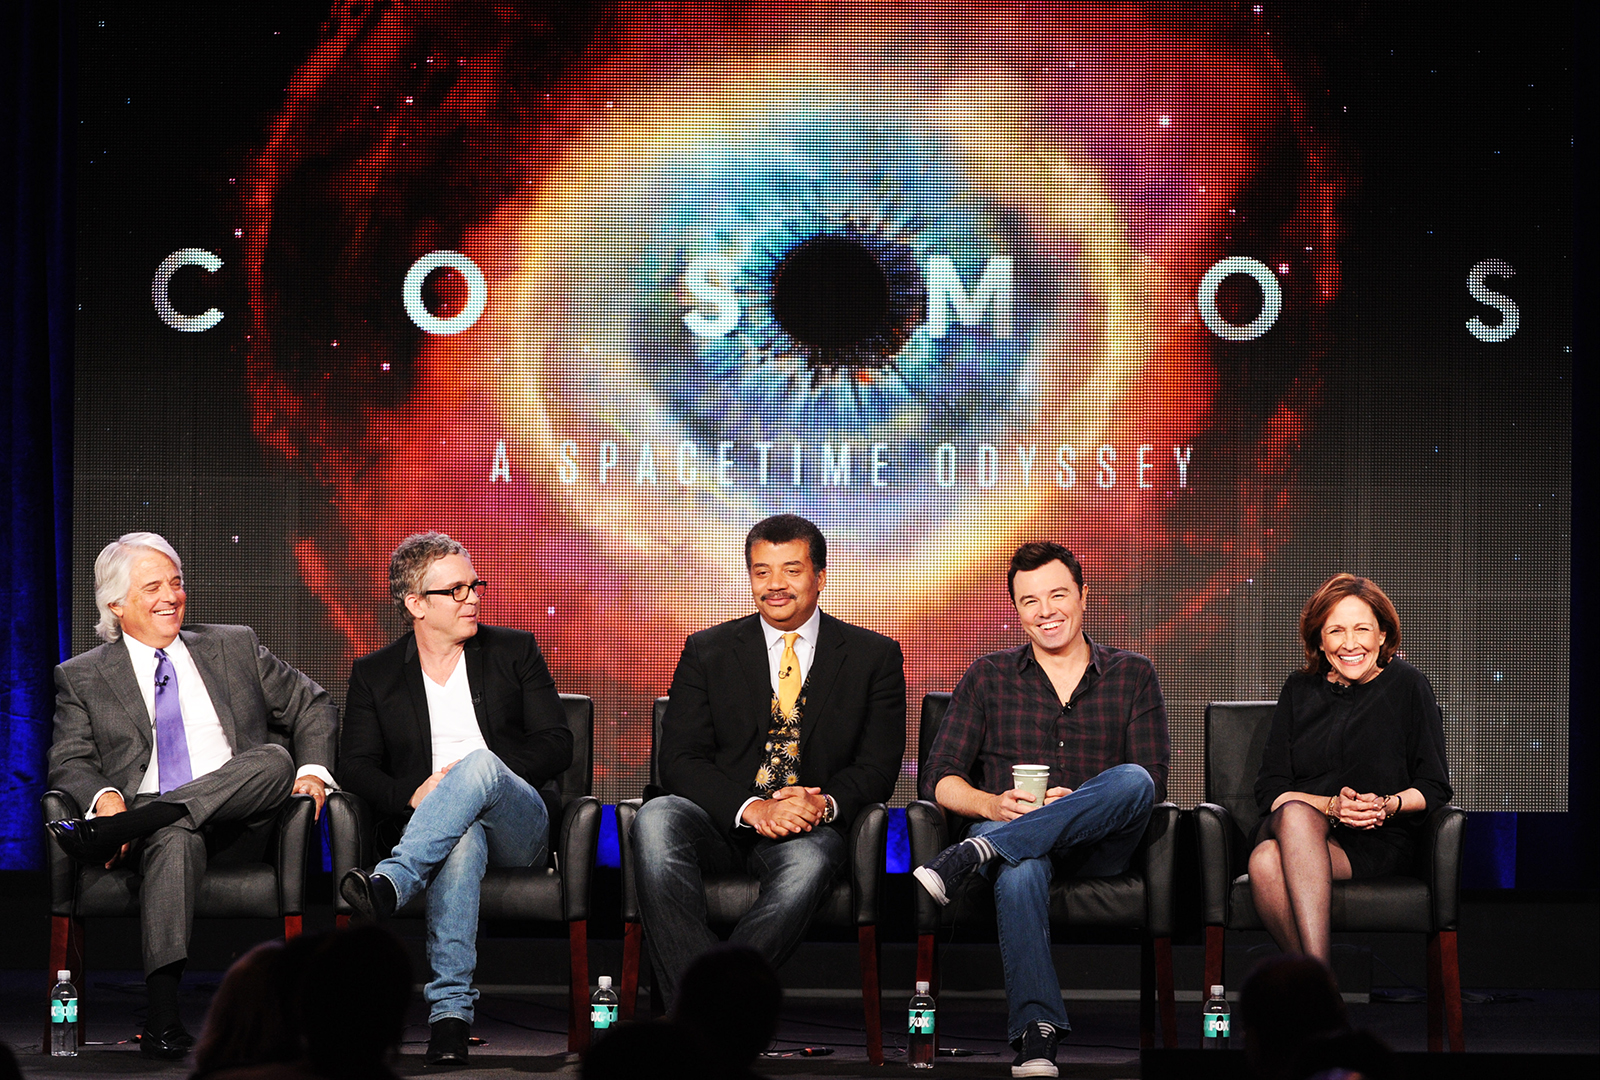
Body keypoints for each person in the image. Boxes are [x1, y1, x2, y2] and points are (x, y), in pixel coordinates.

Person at [46, 532, 336, 1059]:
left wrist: (313, 770)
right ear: (115, 604)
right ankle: (162, 1021)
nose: (171, 596)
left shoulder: (234, 645)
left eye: (176, 583)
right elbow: (70, 759)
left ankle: (140, 822)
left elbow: (312, 704)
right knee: (175, 839)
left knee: (273, 760)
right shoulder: (81, 676)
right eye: (152, 586)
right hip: (160, 839)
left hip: (238, 822)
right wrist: (106, 795)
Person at [914, 542, 1169, 1079]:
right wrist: (991, 804)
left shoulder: (1133, 674)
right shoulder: (987, 676)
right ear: (1017, 610)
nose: (1046, 610)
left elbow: (1151, 783)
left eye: (1058, 595)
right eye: (1030, 601)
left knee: (1134, 780)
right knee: (1021, 866)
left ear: (1083, 597)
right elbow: (939, 780)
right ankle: (1037, 1033)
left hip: (1100, 847)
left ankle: (973, 853)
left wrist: (1075, 804)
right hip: (1010, 829)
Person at [632, 513, 906, 1007]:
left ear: (820, 576)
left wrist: (819, 805)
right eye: (762, 571)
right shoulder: (706, 650)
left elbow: (878, 768)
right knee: (654, 819)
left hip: (806, 826)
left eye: (791, 570)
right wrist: (753, 809)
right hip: (719, 820)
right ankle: (711, 1012)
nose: (775, 585)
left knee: (811, 861)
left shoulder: (874, 657)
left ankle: (701, 1007)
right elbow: (679, 759)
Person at [336, 531, 572, 1066]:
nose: (473, 598)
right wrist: (413, 793)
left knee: (481, 765)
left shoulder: (513, 650)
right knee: (459, 839)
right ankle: (449, 1021)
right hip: (437, 828)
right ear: (415, 604)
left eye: (474, 585)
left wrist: (480, 778)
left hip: (519, 826)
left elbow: (558, 743)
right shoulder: (375, 675)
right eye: (456, 590)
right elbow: (355, 766)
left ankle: (392, 882)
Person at [1249, 574, 1452, 966]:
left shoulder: (1408, 686)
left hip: (1376, 840)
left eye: (1362, 629)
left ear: (1382, 635)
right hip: (1301, 828)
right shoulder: (1299, 689)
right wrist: (1331, 807)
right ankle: (1323, 986)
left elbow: (1434, 786)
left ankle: (1315, 991)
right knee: (1293, 817)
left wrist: (1387, 805)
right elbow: (1271, 789)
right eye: (1336, 631)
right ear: (1320, 641)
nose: (1350, 643)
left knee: (1264, 862)